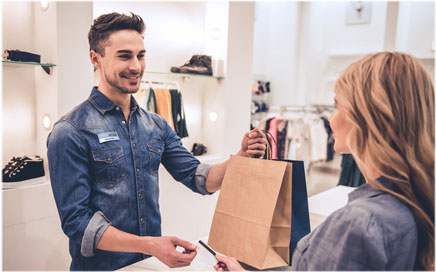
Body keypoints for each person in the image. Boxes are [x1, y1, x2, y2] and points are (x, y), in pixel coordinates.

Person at [46, 12, 267, 271]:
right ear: (95, 59)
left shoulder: (156, 125)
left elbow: (198, 177)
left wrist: (240, 157)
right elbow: (77, 223)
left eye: (140, 55)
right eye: (124, 56)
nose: (136, 66)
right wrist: (150, 245)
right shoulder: (70, 131)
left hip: (149, 265)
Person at [214, 52, 435, 271]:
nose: (330, 118)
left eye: (337, 106)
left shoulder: (358, 224)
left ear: (367, 118)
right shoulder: (412, 202)